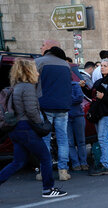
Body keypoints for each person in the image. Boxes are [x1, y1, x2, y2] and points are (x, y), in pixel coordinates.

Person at [0, 58, 67, 198]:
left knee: (17, 162)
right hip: (26, 128)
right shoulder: (28, 87)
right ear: (28, 71)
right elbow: (31, 111)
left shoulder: (16, 87)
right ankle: (48, 189)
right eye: (35, 70)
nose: (37, 73)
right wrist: (40, 125)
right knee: (45, 158)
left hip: (15, 129)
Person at [35, 40, 72, 181]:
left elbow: (34, 83)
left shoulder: (39, 62)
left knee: (45, 139)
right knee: (63, 139)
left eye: (42, 45)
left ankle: (45, 171)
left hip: (45, 106)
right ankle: (63, 170)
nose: (40, 46)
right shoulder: (65, 64)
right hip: (63, 106)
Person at [67, 68, 87, 171]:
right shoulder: (75, 86)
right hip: (67, 117)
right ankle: (76, 163)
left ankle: (83, 162)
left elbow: (79, 98)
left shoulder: (75, 85)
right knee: (70, 142)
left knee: (81, 141)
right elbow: (77, 98)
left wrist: (67, 99)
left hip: (77, 116)